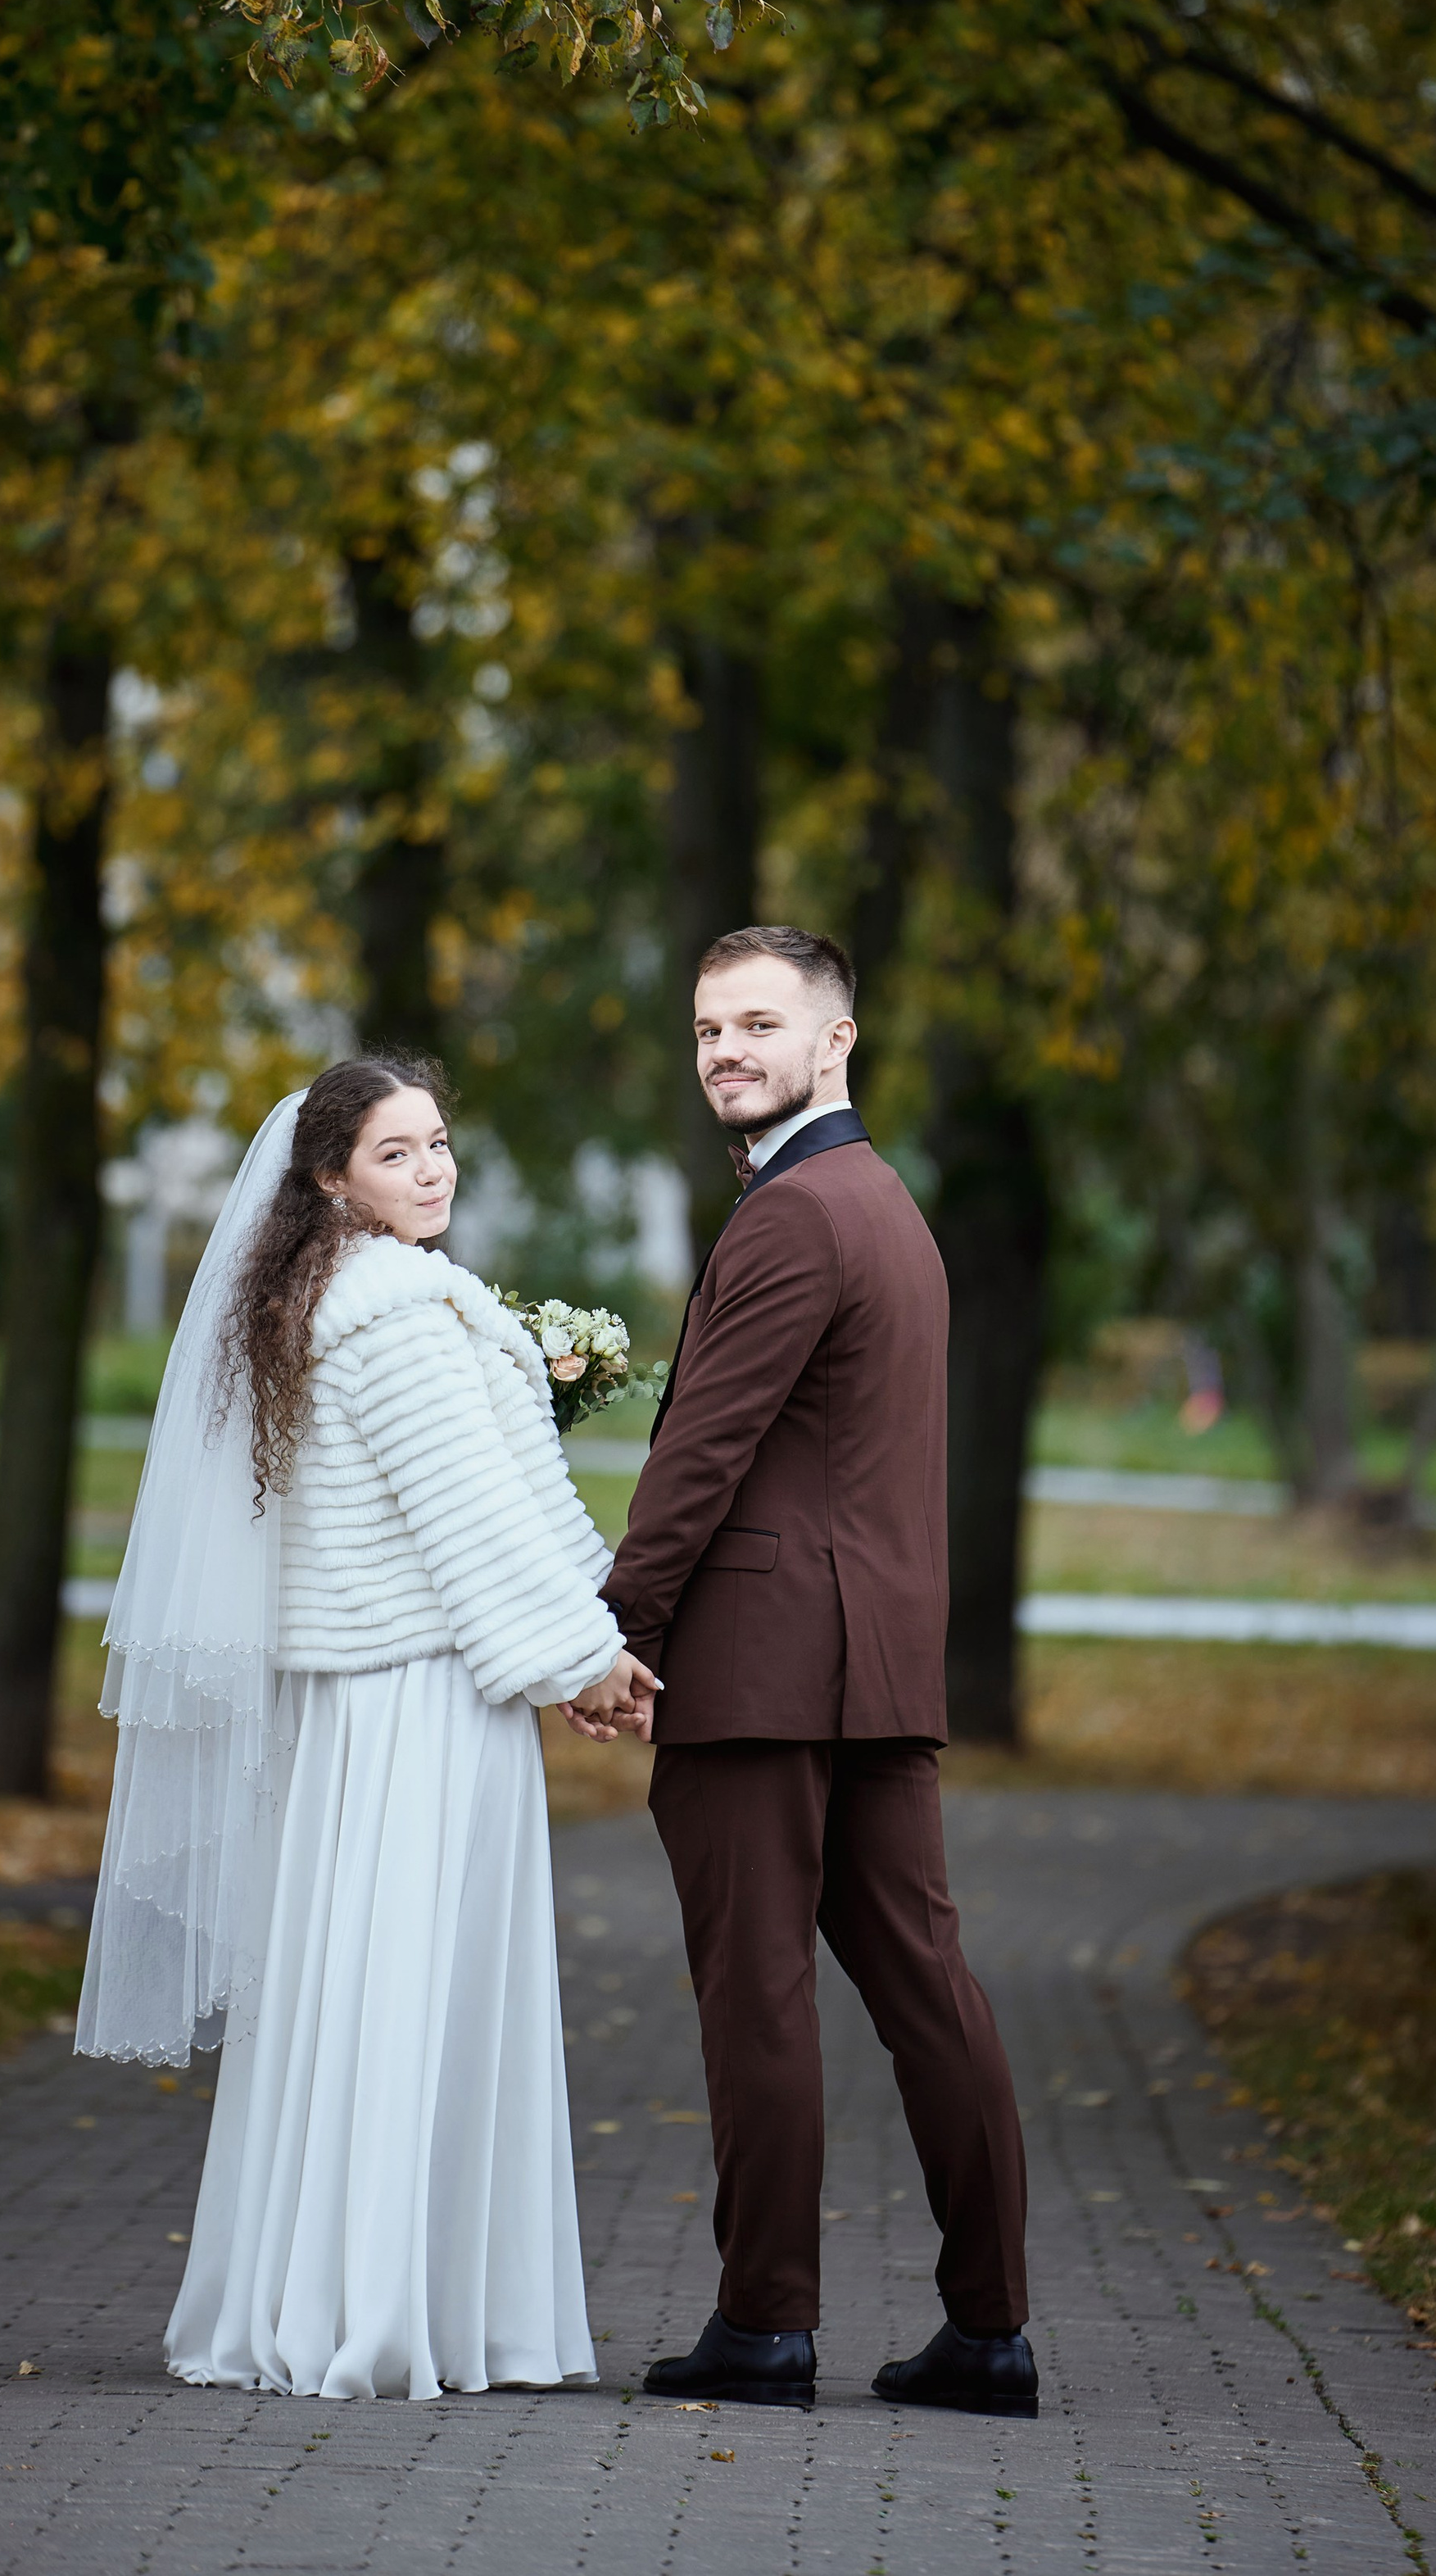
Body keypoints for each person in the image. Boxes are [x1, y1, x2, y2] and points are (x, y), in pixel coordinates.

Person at [75, 1054, 656, 2401]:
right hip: (417, 1701)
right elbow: (470, 1521)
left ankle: (353, 2288)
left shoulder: (336, 1293)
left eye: (442, 1141)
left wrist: (592, 1626)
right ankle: (386, 2314)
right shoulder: (394, 1311)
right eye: (397, 1152)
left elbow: (512, 1504)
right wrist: (589, 1659)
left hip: (384, 1696)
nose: (433, 1168)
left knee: (362, 1993)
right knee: (407, 1990)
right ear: (331, 1177)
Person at [582, 926, 1039, 2417]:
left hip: (765, 1671)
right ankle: (989, 2335)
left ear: (836, 1038)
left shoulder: (790, 1216)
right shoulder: (887, 1205)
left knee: (757, 1993)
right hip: (876, 1666)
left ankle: (767, 2326)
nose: (725, 1049)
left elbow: (702, 1455)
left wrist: (619, 1630)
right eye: (709, 1026)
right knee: (928, 1990)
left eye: (758, 1023)